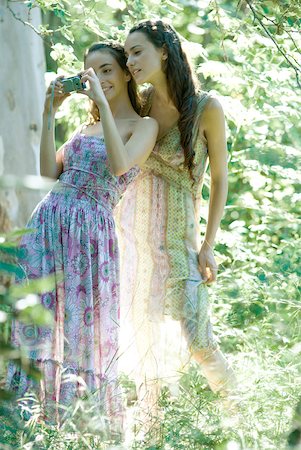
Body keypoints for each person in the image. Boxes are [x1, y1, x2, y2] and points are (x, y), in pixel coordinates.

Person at [6, 42, 158, 433]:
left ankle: (83, 424)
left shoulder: (144, 127)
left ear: (126, 73)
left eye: (106, 70)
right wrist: (48, 112)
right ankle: (30, 420)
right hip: (47, 227)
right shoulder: (83, 128)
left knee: (82, 330)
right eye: (90, 71)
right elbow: (45, 175)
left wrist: (103, 107)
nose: (99, 79)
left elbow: (119, 164)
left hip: (89, 236)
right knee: (37, 324)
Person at [117, 19, 236, 419]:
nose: (130, 61)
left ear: (164, 50)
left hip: (180, 241)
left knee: (199, 341)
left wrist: (208, 246)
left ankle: (240, 416)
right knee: (143, 342)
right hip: (131, 239)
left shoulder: (206, 107)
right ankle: (153, 430)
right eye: (127, 53)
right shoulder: (139, 104)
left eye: (137, 51)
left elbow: (220, 180)